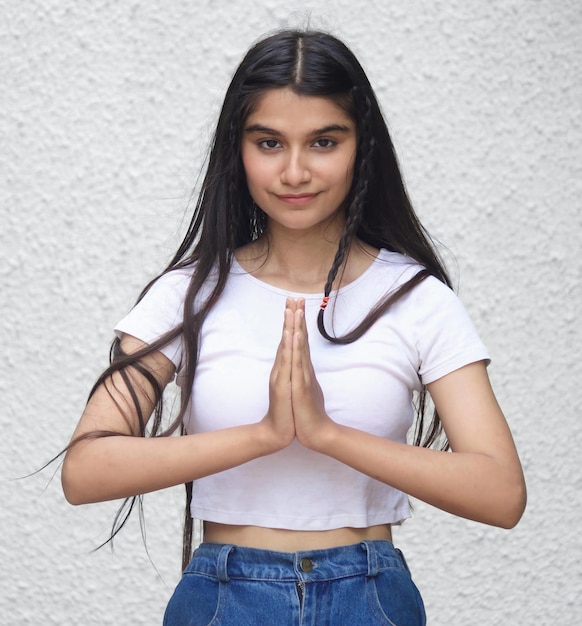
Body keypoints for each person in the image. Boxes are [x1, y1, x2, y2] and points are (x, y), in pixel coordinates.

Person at [61, 29, 526, 625]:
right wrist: (263, 434)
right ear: (240, 150)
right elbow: (85, 471)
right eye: (270, 142)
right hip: (225, 597)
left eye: (324, 141)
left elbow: (501, 492)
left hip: (369, 598)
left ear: (362, 147)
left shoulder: (415, 298)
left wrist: (327, 433)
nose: (295, 170)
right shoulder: (186, 293)